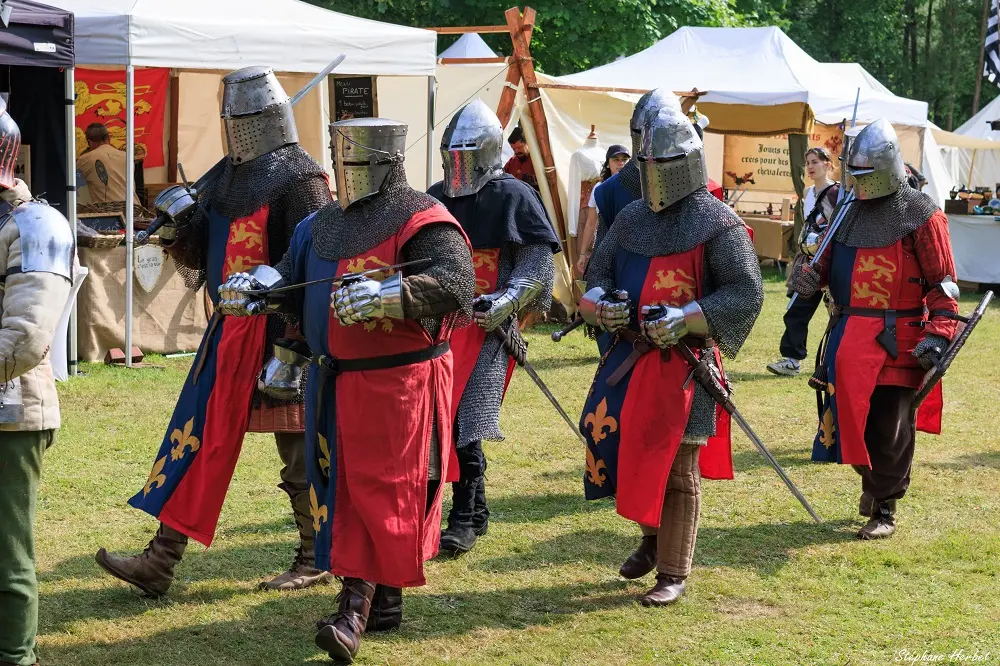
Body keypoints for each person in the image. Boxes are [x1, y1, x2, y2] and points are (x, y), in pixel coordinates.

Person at [219, 116, 475, 663]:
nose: (347, 170)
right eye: (341, 159)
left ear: (386, 160)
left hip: (398, 381)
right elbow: (291, 279)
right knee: (342, 486)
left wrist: (387, 295)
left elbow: (456, 284)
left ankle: (351, 610)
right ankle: (384, 599)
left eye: (356, 160)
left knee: (381, 490)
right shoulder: (320, 224)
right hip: (333, 379)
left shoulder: (423, 218)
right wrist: (257, 290)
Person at [95, 66, 334, 596]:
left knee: (298, 455)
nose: (237, 129)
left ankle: (315, 555)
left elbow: (314, 265)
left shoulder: (302, 180)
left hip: (280, 334)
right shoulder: (226, 177)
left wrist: (290, 348)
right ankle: (159, 562)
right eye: (231, 120)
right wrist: (182, 220)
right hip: (228, 329)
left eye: (243, 119)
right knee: (193, 441)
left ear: (268, 119)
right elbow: (206, 256)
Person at [578, 103, 763, 607]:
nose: (652, 175)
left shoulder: (718, 223)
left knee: (679, 469)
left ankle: (673, 570)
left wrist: (685, 318)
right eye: (647, 165)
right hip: (630, 360)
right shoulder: (632, 218)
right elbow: (596, 279)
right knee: (620, 451)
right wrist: (606, 307)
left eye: (661, 166)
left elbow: (745, 293)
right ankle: (651, 537)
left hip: (686, 366)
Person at [791, 119, 959, 540]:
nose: (861, 182)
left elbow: (943, 283)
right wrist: (809, 277)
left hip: (898, 336)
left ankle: (884, 504)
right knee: (852, 421)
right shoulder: (847, 212)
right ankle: (872, 484)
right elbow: (824, 265)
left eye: (868, 174)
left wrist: (939, 332)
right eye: (856, 174)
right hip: (849, 337)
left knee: (890, 423)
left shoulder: (921, 214)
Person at [427, 100, 560, 556]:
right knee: (438, 419)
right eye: (453, 152)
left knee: (468, 420)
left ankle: (462, 515)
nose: (459, 163)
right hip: (442, 328)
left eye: (468, 152)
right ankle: (475, 511)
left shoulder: (516, 196)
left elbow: (538, 268)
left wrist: (506, 302)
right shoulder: (436, 198)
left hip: (489, 330)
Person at [0, 99, 74, 666]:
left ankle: (14, 655)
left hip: (11, 411)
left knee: (7, 556)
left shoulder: (35, 225)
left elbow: (25, 340)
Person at [767, 147, 841, 377]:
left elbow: (836, 228)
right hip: (809, 262)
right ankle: (792, 360)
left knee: (837, 314)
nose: (810, 167)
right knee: (796, 310)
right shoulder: (808, 193)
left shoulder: (836, 193)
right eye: (808, 162)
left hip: (829, 262)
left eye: (815, 162)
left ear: (827, 165)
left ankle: (839, 359)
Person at [576, 144, 630, 277]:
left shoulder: (636, 186)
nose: (621, 163)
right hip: (605, 244)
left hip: (631, 244)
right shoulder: (599, 188)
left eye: (624, 159)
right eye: (616, 159)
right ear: (607, 164)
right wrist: (582, 254)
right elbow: (590, 223)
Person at [76, 122, 129, 203]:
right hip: (134, 209)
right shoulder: (126, 156)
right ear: (108, 138)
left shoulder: (86, 158)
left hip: (110, 212)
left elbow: (74, 184)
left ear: (89, 142)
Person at [503, 126, 539, 191]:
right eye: (513, 148)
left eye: (519, 147)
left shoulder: (538, 161)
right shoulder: (511, 162)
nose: (516, 151)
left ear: (528, 143)